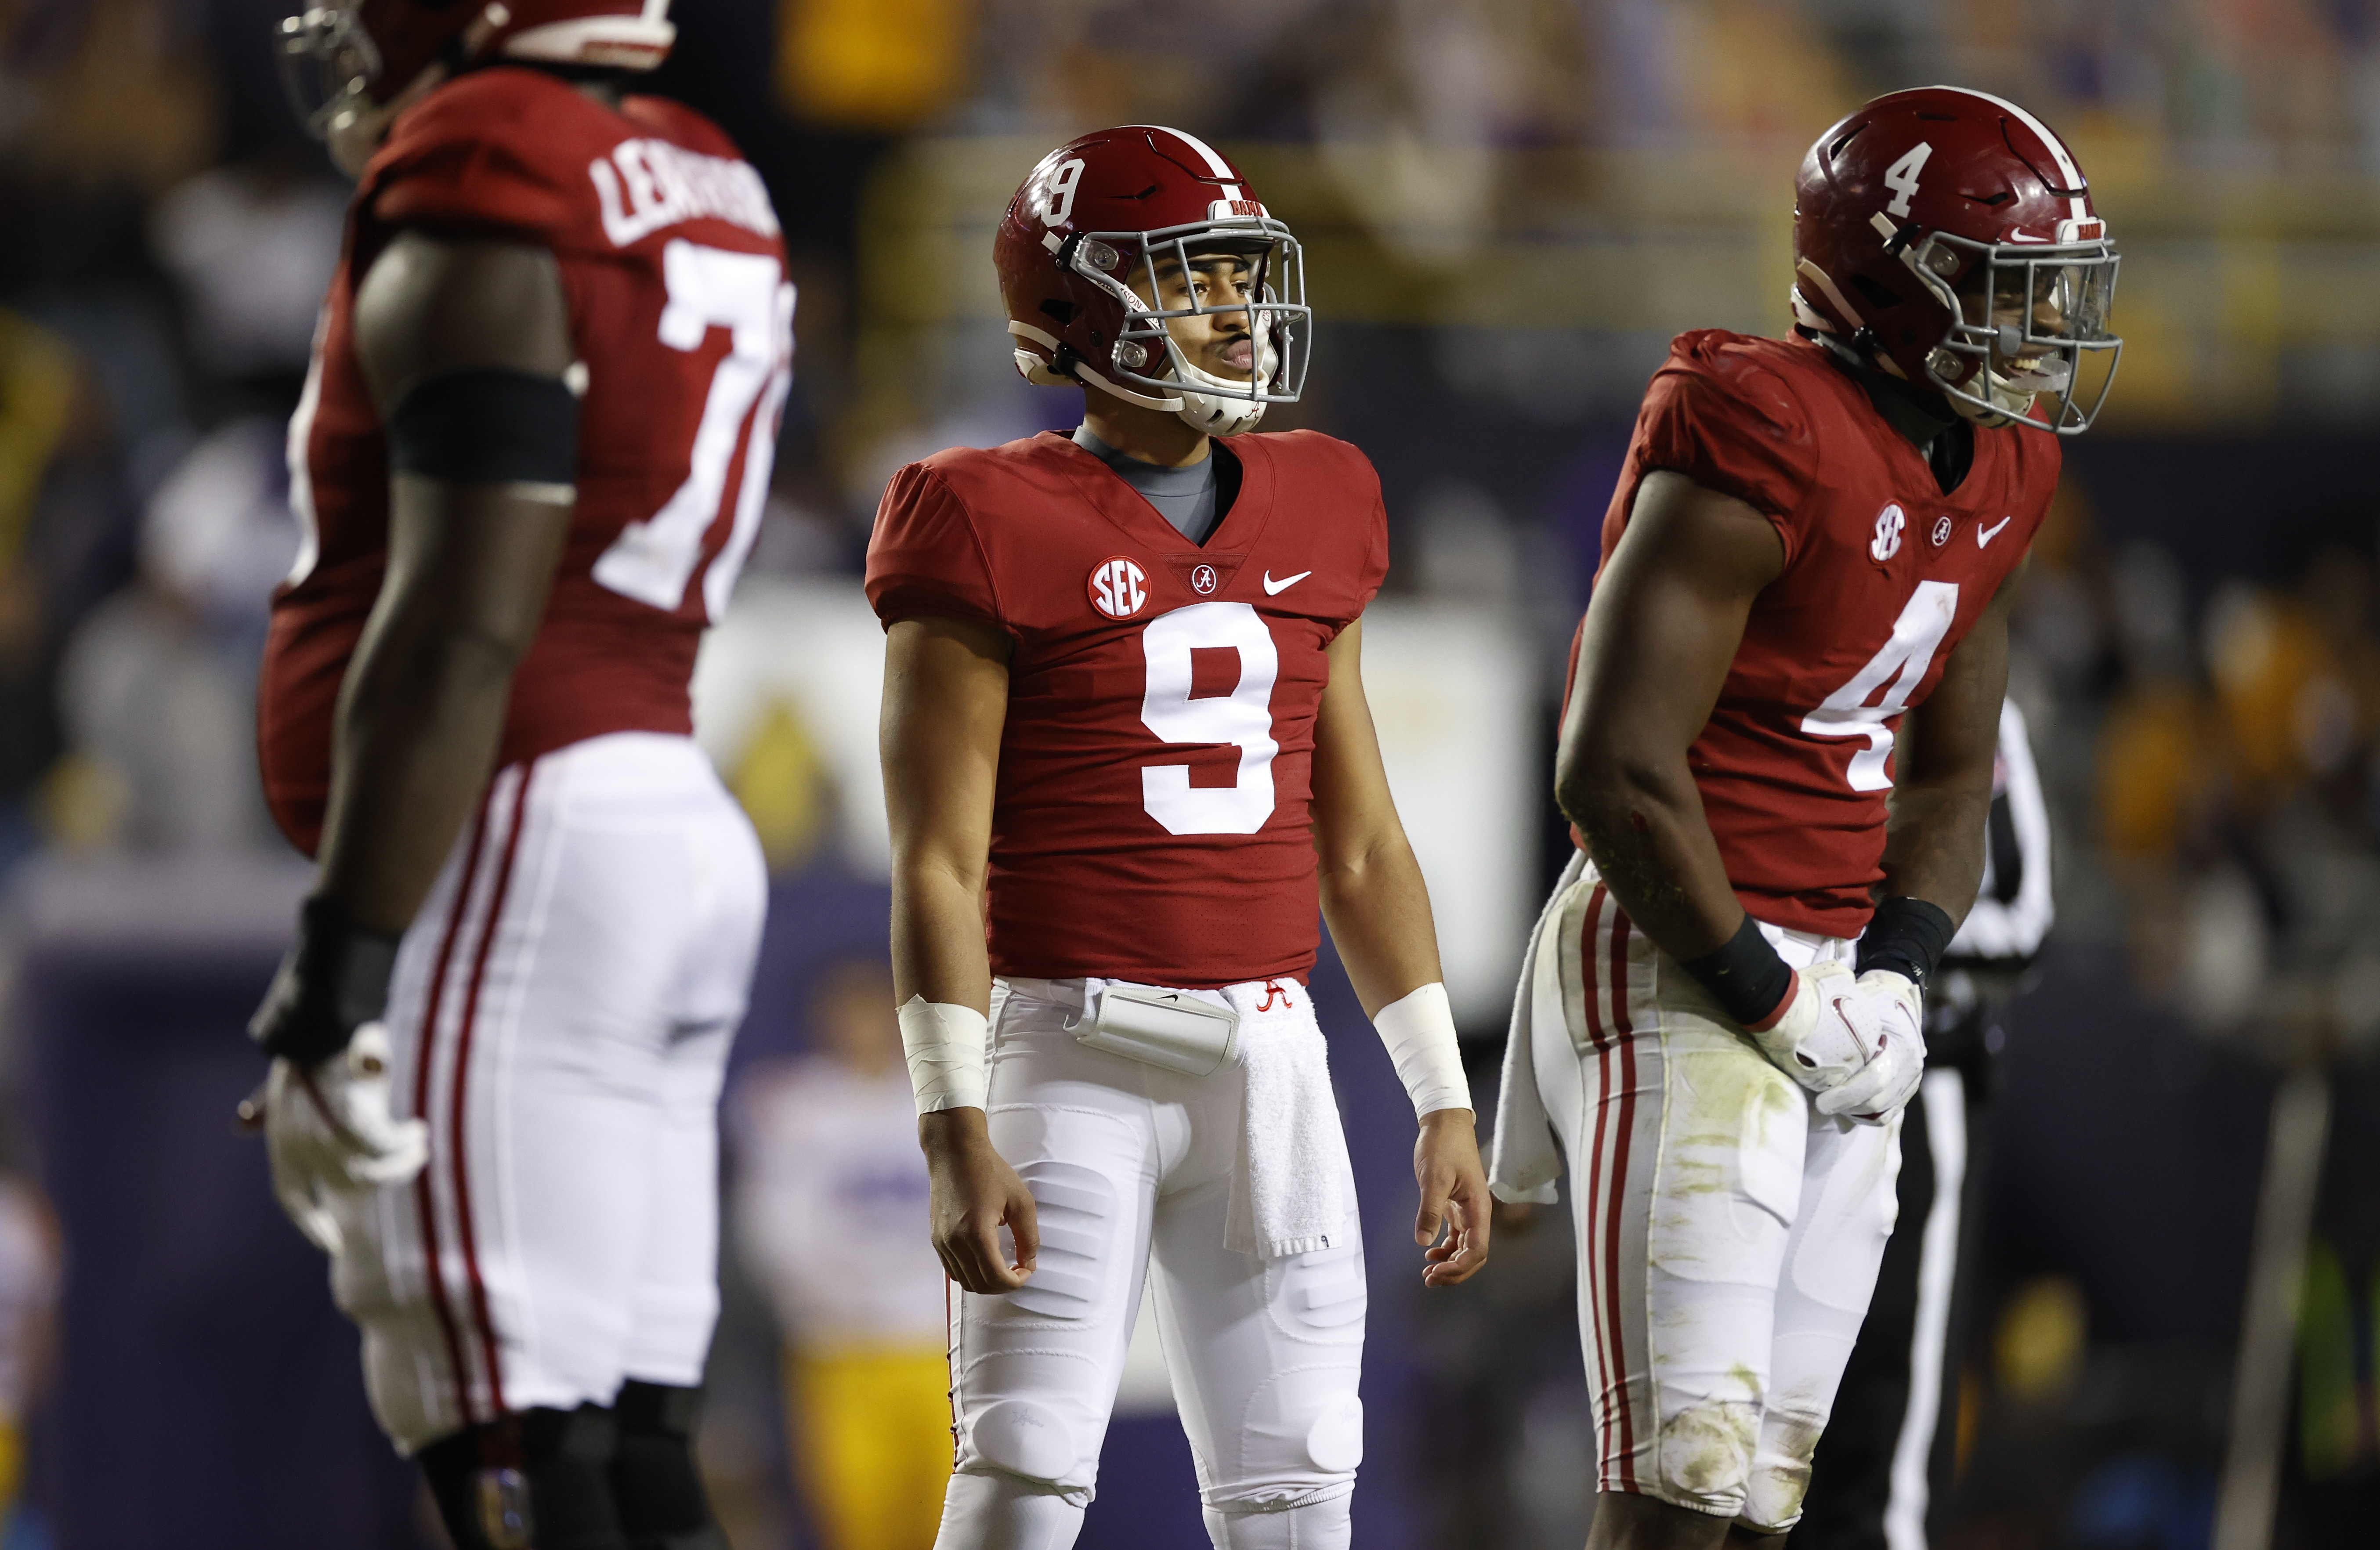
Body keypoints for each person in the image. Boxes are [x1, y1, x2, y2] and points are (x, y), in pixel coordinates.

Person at [1487, 86, 2120, 1550]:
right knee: (1677, 1492)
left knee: (1769, 1501)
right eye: (2002, 287)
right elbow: (1611, 772)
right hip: (1677, 950)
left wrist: (1893, 967)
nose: (2035, 331)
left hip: (1834, 971)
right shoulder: (1758, 425)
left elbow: (1951, 779)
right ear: (1893, 280)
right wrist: (1773, 998)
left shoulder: (2008, 471)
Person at [867, 126, 1492, 1550]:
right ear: (1077, 309)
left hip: (1269, 1063)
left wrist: (1438, 1096)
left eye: (1234, 274)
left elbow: (1360, 847)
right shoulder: (975, 513)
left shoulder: (1323, 495)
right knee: (1023, 1477)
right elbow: (936, 862)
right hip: (1067, 1053)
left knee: (1297, 1496)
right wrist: (952, 1126)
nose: (1229, 309)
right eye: (1187, 277)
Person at [244, 4, 790, 1546]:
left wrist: (339, 962)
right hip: (661, 813)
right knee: (629, 1450)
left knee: (499, 1445)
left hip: (521, 836)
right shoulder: (699, 168)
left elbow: (462, 618)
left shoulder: (492, 169)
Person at [1794, 699, 2053, 1550]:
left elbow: (2026, 913)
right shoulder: (1790, 662)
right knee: (1749, 1447)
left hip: (1918, 1091)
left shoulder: (1969, 698)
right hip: (1776, 1087)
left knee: (1885, 1438)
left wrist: (1862, 943)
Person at [733, 960, 952, 1550]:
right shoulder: (789, 1104)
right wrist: (831, 1296)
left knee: (954, 1518)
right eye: (846, 1008)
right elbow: (773, 1228)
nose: (859, 1024)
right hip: (838, 1346)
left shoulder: (947, 1100)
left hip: (938, 1346)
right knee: (859, 1518)